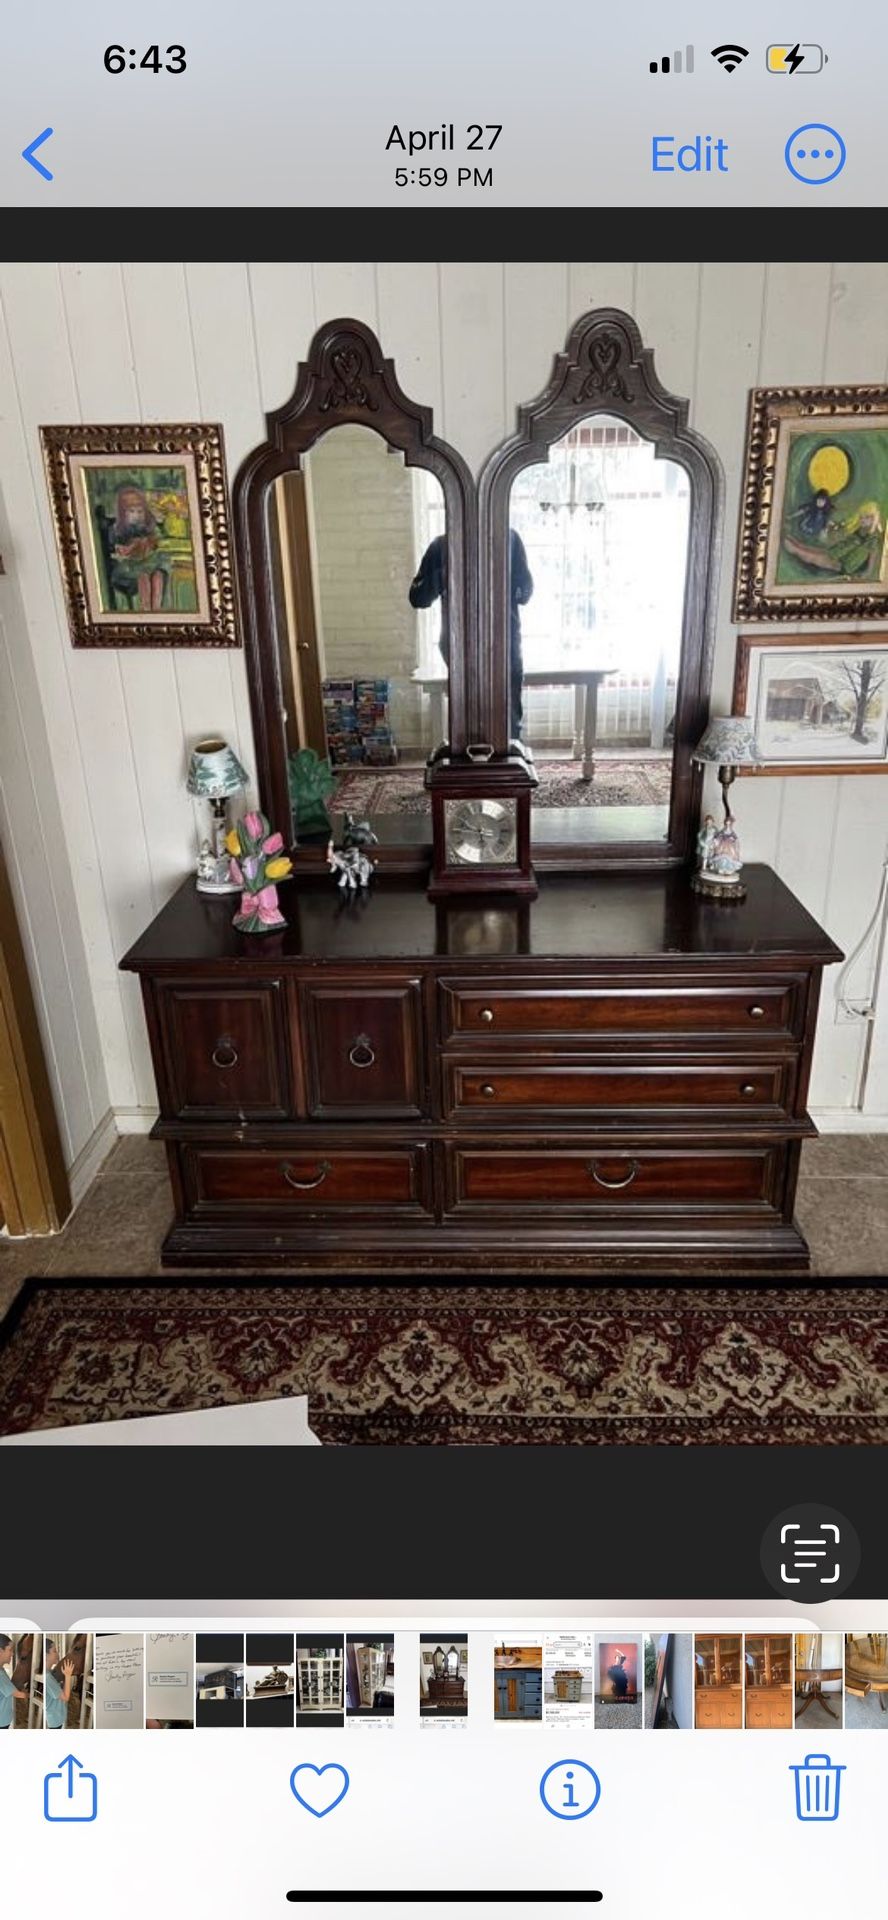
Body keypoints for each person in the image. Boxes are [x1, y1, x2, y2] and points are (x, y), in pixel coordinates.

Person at [408, 529, 533, 743]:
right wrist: (444, 575)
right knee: (468, 717)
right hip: (461, 646)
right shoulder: (441, 547)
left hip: (504, 644)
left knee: (508, 718)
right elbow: (418, 598)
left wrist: (503, 580)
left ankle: (507, 756)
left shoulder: (509, 539)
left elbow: (526, 593)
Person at [44, 1642, 75, 1732]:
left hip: (57, 1716)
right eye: (54, 1651)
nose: (57, 1654)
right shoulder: (47, 1677)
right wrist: (68, 1675)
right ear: (45, 1655)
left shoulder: (49, 1673)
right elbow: (65, 1697)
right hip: (54, 1720)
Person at [0, 1635, 29, 1730]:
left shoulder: (2, 1670)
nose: (12, 1654)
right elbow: (18, 1694)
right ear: (0, 1651)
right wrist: (28, 1694)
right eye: (10, 1650)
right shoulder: (1, 1675)